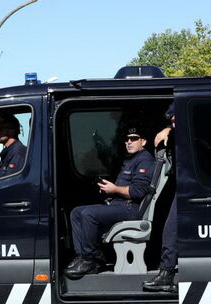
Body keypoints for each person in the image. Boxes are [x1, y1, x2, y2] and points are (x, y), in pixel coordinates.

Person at [65, 126, 156, 279]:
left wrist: (114, 189)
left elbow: (138, 192)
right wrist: (110, 190)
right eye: (127, 139)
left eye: (134, 139)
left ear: (144, 141)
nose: (129, 142)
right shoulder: (131, 160)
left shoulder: (145, 161)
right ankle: (82, 256)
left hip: (130, 208)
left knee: (89, 214)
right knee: (76, 212)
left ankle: (93, 259)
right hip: (119, 204)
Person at [144, 103, 177, 292]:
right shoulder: (174, 135)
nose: (174, 125)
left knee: (171, 230)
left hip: (191, 189)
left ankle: (167, 273)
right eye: (171, 122)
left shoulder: (192, 133)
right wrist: (168, 130)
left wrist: (168, 130)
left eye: (176, 120)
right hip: (183, 188)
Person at [0, 113, 27, 179]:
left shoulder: (18, 152)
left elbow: (9, 181)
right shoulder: (9, 151)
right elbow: (0, 177)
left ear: (11, 131)